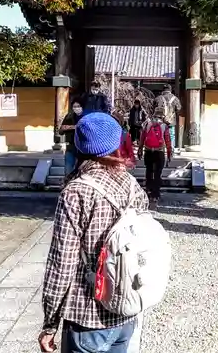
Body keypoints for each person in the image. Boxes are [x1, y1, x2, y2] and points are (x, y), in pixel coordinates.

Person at [39, 112, 149, 353]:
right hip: (124, 311)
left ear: (79, 146)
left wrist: (50, 322)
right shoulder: (132, 185)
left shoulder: (76, 192)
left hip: (86, 314)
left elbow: (62, 264)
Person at [138, 107, 172, 209]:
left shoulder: (147, 124)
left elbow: (142, 138)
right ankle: (155, 195)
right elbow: (168, 141)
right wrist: (169, 153)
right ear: (162, 115)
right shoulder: (164, 126)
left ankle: (148, 191)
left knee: (149, 171)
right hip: (159, 151)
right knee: (158, 173)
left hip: (148, 151)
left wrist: (140, 150)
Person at [59, 100, 84, 175]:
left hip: (83, 148)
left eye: (78, 106)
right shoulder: (69, 116)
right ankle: (66, 182)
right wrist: (74, 127)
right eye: (74, 107)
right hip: (71, 146)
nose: (76, 108)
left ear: (82, 107)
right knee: (68, 169)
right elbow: (61, 130)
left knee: (81, 170)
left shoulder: (85, 117)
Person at [154, 84, 181, 150]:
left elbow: (154, 108)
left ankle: (161, 148)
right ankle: (171, 148)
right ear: (170, 90)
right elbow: (178, 108)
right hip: (171, 120)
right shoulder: (175, 98)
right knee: (171, 135)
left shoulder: (158, 98)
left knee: (161, 134)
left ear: (163, 90)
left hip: (160, 120)